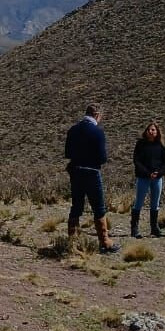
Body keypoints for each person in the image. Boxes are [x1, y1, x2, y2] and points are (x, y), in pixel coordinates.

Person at [65, 103, 120, 254]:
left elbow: (68, 153)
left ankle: (72, 242)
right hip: (92, 172)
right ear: (97, 115)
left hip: (76, 171)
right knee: (98, 207)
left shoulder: (73, 130)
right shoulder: (98, 132)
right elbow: (102, 158)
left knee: (76, 206)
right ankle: (105, 242)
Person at [131, 122, 165, 238]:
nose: (151, 132)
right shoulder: (140, 144)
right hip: (143, 177)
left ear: (157, 132)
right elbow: (136, 161)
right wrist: (148, 173)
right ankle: (134, 228)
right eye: (149, 130)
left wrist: (159, 173)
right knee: (139, 202)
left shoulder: (160, 146)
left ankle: (154, 228)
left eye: (153, 130)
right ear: (146, 132)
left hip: (157, 178)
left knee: (155, 203)